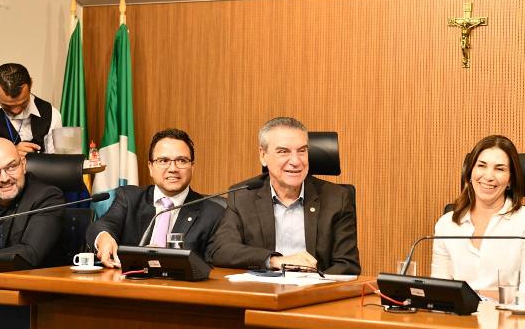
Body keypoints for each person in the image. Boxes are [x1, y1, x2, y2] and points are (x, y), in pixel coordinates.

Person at [210, 117, 360, 275]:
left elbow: (348, 265)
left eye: (302, 151)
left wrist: (312, 285)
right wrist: (274, 260)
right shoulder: (242, 196)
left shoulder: (337, 198)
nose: (295, 161)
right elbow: (222, 250)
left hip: (314, 293)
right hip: (264, 293)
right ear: (263, 156)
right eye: (283, 151)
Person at [431, 135, 525, 304]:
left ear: (510, 180)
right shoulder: (446, 224)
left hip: (508, 323)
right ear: (470, 173)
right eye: (481, 166)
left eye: (499, 169)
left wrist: (473, 294)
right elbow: (439, 289)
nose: (488, 176)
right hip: (457, 321)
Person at [86, 129, 225, 268]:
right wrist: (104, 237)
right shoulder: (130, 199)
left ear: (192, 167)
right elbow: (102, 225)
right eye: (163, 160)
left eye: (181, 161)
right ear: (150, 167)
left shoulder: (213, 214)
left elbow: (213, 265)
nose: (173, 168)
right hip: (129, 284)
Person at [0, 137, 64, 267]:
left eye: (11, 167)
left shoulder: (48, 197)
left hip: (29, 283)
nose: (4, 178)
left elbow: (29, 254)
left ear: (23, 165)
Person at [0, 63, 62, 155]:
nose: (17, 111)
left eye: (23, 103)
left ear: (31, 84)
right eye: (7, 105)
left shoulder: (51, 114)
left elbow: (56, 161)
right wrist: (9, 152)